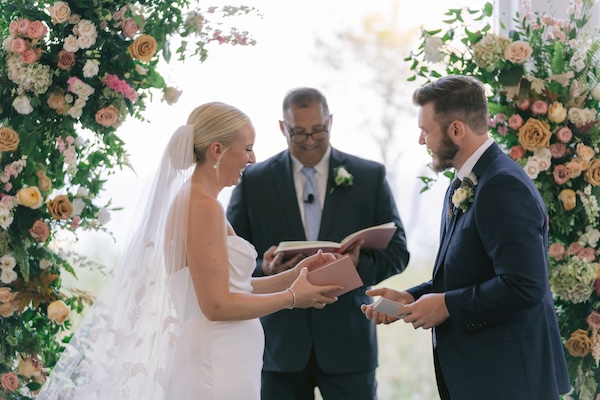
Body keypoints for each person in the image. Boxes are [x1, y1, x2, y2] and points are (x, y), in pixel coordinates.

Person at [36, 102, 343, 400]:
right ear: (217, 150)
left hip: (227, 359)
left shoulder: (202, 203)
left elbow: (236, 287)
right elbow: (216, 306)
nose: (252, 158)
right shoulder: (202, 207)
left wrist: (297, 274)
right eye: (247, 148)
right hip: (216, 362)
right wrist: (292, 298)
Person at [361, 75, 570, 399]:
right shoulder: (464, 182)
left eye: (426, 130)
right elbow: (468, 272)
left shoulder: (502, 185)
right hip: (484, 378)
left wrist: (447, 305)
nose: (421, 140)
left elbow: (525, 285)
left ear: (456, 130)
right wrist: (412, 298)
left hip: (511, 380)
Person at [226, 87, 410, 399]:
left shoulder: (369, 176)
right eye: (299, 133)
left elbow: (399, 252)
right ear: (283, 127)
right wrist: (266, 269)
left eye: (318, 131)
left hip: (349, 343)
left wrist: (356, 263)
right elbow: (231, 259)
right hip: (279, 346)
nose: (310, 140)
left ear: (331, 122)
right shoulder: (253, 181)